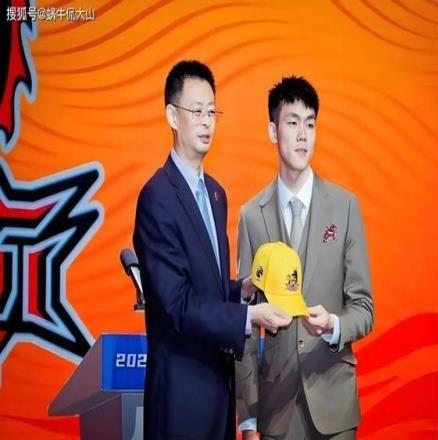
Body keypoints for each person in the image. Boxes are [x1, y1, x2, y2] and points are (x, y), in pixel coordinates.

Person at [133, 60, 291, 440]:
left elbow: (209, 289)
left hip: (220, 390)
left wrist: (242, 290)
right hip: (181, 398)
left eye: (212, 112)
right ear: (172, 116)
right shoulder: (157, 197)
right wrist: (249, 317)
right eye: (196, 111)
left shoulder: (216, 194)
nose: (206, 122)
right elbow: (177, 304)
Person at [235, 76, 374, 439]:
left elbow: (364, 307)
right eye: (293, 122)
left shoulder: (344, 207)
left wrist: (333, 325)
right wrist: (247, 419)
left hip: (334, 404)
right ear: (273, 131)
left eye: (310, 124)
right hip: (276, 408)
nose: (303, 135)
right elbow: (244, 323)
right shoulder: (252, 216)